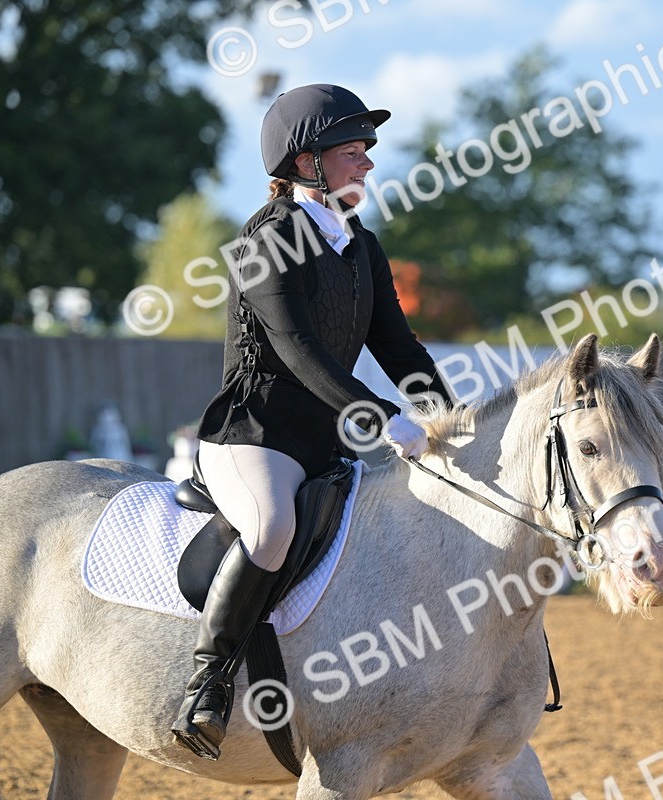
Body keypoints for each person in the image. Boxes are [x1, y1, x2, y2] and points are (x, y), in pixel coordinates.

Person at [171, 84, 455, 759]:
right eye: (353, 152)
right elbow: (298, 350)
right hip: (255, 433)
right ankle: (206, 684)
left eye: (366, 152)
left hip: (323, 438)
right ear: (306, 164)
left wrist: (448, 413)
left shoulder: (363, 245)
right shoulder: (260, 240)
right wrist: (381, 415)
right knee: (273, 525)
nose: (368, 165)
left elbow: (399, 347)